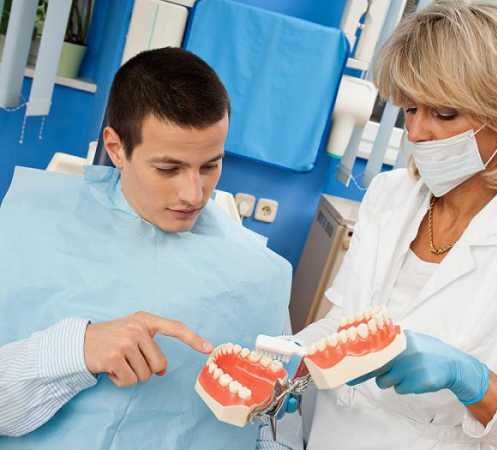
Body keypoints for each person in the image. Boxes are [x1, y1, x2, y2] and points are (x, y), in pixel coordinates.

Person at [291, 2, 497, 449]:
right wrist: (288, 362)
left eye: (444, 114)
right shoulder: (389, 195)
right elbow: (343, 324)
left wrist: (472, 381)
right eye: (410, 109)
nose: (417, 132)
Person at [0, 48, 291, 450]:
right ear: (116, 148)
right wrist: (76, 350)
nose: (194, 194)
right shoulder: (26, 230)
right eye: (169, 169)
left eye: (210, 166)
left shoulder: (258, 274)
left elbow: (275, 433)